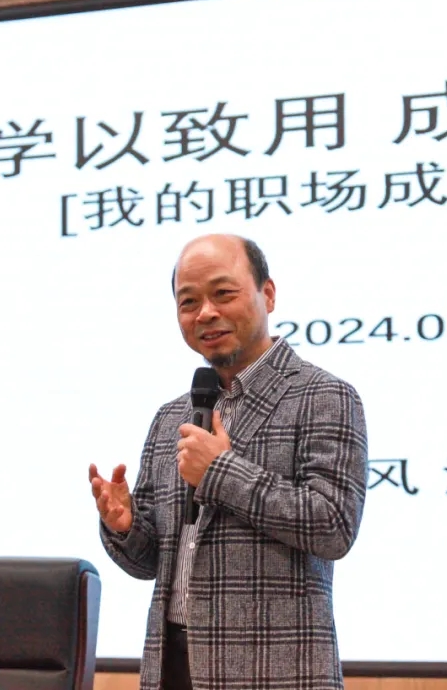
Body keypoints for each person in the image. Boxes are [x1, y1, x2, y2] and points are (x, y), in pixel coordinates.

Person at [89, 233, 368, 690]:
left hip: (275, 673)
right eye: (188, 301)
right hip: (173, 666)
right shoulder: (171, 417)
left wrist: (220, 471)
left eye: (223, 293)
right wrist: (125, 525)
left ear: (268, 294)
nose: (205, 313)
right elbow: (149, 563)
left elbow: (333, 526)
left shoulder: (324, 396)